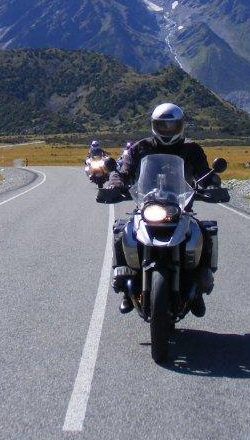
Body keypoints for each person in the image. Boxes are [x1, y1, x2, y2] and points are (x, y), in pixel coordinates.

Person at [94, 103, 223, 316]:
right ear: (154, 126)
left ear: (180, 126)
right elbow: (124, 171)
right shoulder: (140, 148)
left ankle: (199, 287)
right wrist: (113, 185)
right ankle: (127, 289)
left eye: (172, 125)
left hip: (180, 208)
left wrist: (211, 185)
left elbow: (204, 173)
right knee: (123, 231)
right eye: (163, 126)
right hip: (147, 205)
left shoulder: (192, 149)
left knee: (204, 233)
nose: (168, 130)